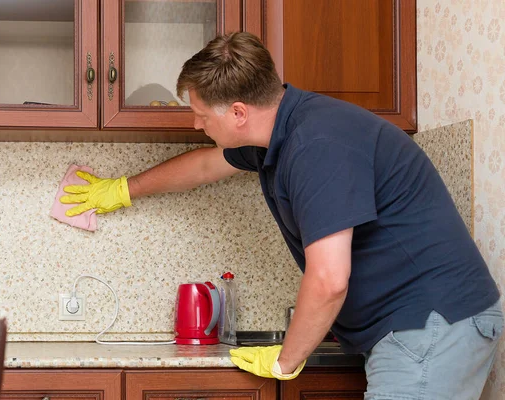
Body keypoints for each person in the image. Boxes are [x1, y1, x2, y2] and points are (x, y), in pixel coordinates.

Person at [60, 32, 503, 398]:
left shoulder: (316, 146)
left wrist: (286, 360)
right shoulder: (279, 132)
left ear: (237, 113)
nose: (196, 125)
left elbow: (330, 279)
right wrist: (121, 190)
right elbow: (202, 166)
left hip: (432, 323)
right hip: (415, 324)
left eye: (198, 115)